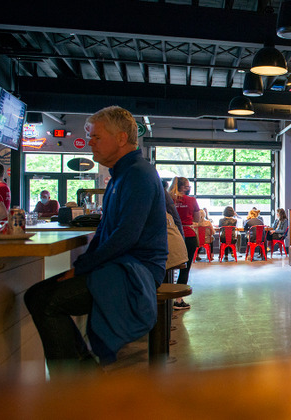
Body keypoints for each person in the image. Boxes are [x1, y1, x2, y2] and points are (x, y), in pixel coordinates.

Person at [24, 106, 167, 375]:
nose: (89, 142)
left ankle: (75, 387)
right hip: (123, 265)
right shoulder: (121, 175)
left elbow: (125, 236)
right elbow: (106, 232)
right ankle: (83, 378)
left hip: (137, 271)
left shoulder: (138, 174)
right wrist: (82, 266)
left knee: (43, 300)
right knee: (38, 296)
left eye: (96, 137)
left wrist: (81, 268)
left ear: (122, 138)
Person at [169, 176, 200, 310]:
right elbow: (197, 219)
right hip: (188, 235)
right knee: (185, 267)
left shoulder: (168, 199)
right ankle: (178, 299)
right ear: (184, 187)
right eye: (188, 186)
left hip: (170, 235)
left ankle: (164, 295)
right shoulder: (192, 200)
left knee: (166, 266)